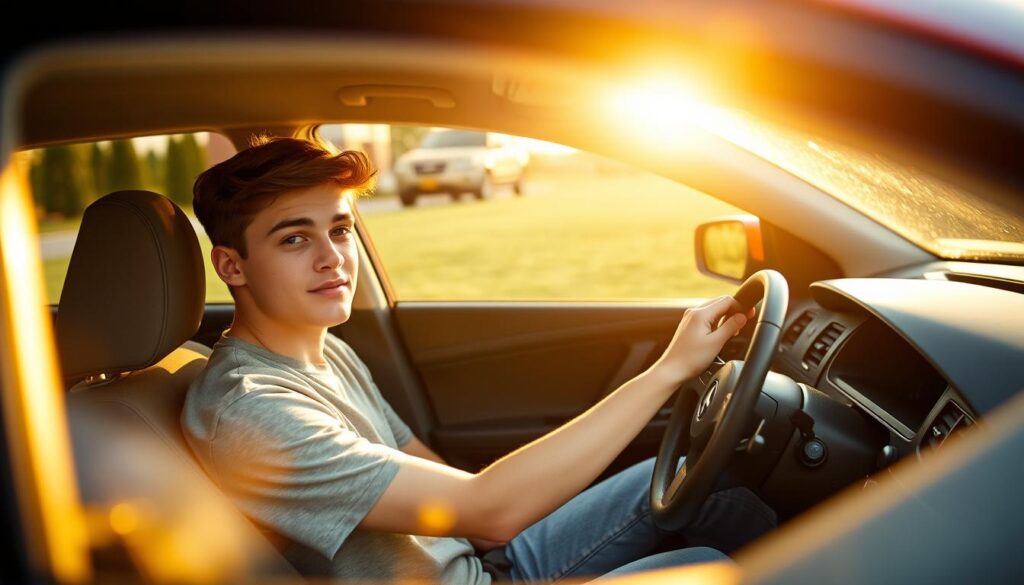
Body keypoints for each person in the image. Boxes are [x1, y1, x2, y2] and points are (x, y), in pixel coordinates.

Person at [181, 134, 776, 584]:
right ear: (232, 266)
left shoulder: (328, 349)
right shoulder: (250, 412)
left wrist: (491, 522)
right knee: (709, 566)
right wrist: (669, 370)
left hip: (483, 564)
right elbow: (485, 510)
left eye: (339, 230)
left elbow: (451, 490)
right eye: (294, 238)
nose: (332, 258)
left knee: (698, 484)